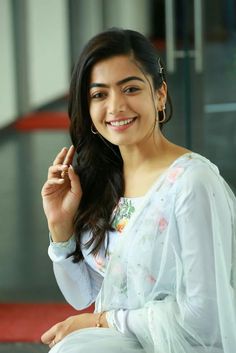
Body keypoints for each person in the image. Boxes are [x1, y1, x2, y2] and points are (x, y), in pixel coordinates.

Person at [41, 28, 236, 353]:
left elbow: (208, 318)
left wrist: (101, 321)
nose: (116, 106)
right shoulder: (103, 180)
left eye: (130, 88)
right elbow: (81, 296)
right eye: (99, 94)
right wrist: (61, 228)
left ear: (159, 94)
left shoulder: (191, 183)